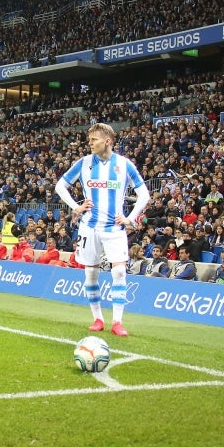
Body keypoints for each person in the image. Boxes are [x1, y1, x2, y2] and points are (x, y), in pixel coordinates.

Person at [54, 123, 150, 336]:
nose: (90, 144)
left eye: (94, 140)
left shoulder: (124, 165)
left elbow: (144, 195)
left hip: (114, 227)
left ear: (107, 141)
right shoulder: (84, 163)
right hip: (89, 226)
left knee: (118, 271)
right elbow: (60, 186)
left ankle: (117, 322)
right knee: (90, 274)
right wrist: (76, 207)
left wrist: (130, 218)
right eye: (89, 140)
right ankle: (98, 318)